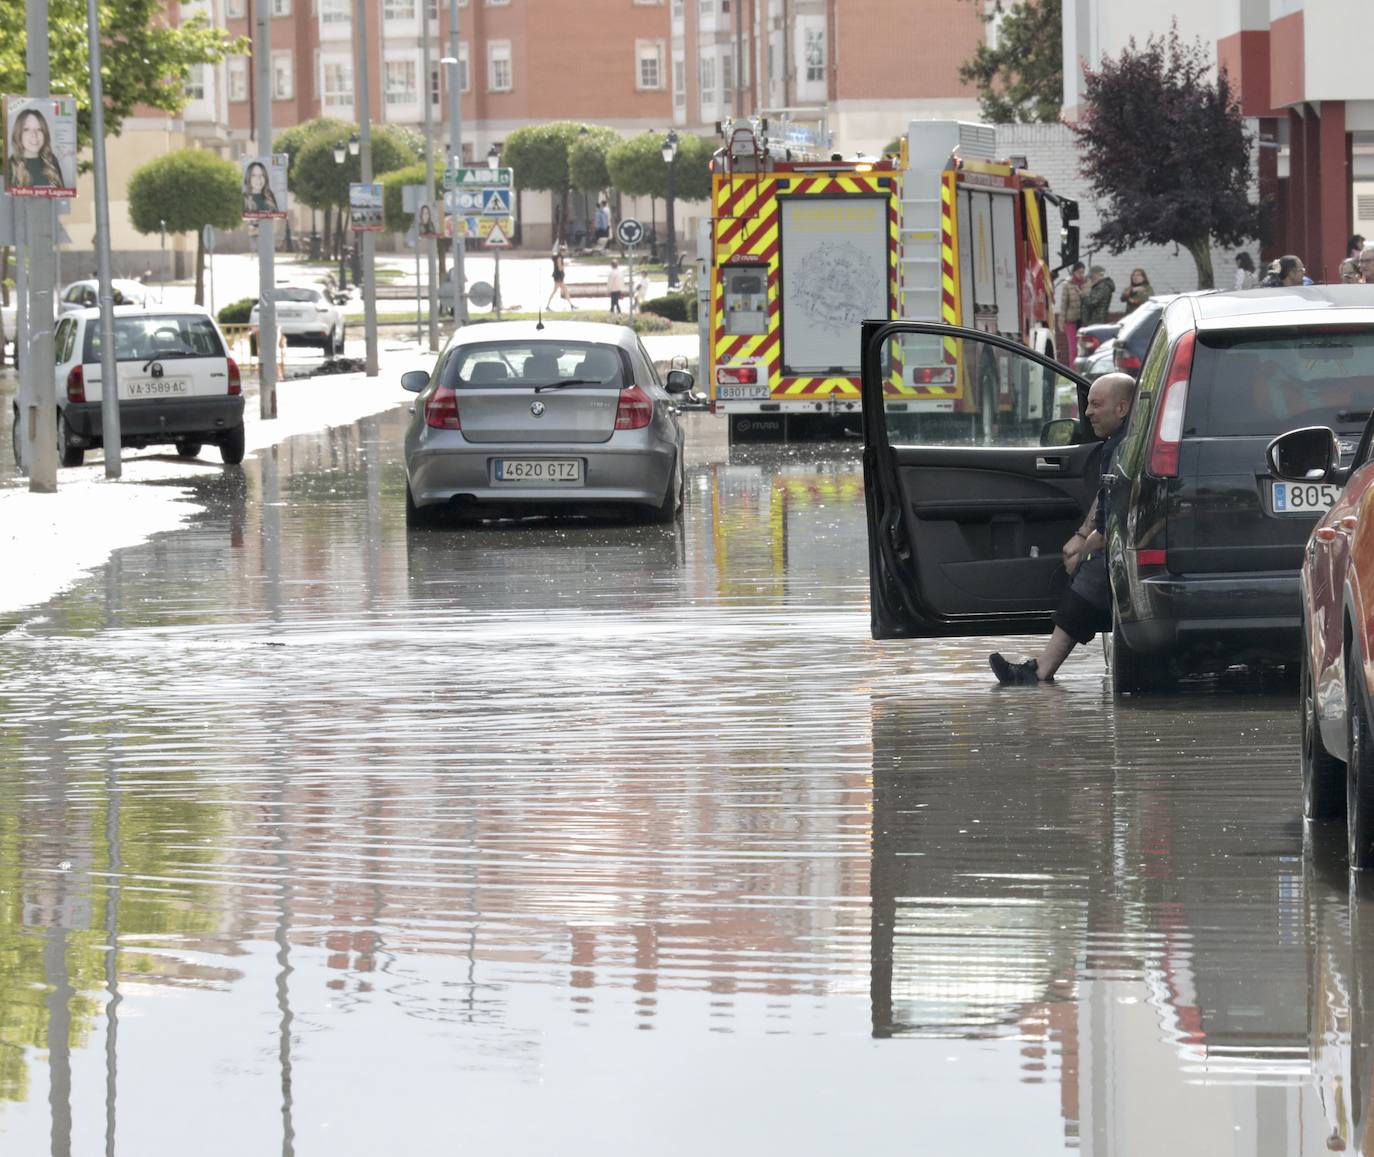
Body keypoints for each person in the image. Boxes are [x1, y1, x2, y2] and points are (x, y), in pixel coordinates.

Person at [989, 372, 1137, 685]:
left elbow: (1115, 520)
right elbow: (1105, 497)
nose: (1087, 412)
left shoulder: (1128, 446)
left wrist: (1087, 548)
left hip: (1130, 542)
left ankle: (1039, 672)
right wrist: (1083, 536)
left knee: (1093, 572)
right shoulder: (1117, 443)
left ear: (1122, 408)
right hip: (1121, 542)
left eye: (1096, 404)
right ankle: (1039, 670)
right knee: (1087, 568)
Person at [8, 108, 64, 189]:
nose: (34, 134)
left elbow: (63, 197)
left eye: (39, 129)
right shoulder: (10, 165)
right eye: (26, 129)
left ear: (45, 133)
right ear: (18, 134)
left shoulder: (51, 160)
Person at [1058, 263, 1085, 367]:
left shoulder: (1087, 283)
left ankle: (1081, 370)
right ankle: (1072, 370)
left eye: (1083, 272)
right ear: (1074, 272)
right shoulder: (1067, 284)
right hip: (1071, 320)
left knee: (1082, 347)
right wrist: (1061, 321)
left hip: (1083, 320)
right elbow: (1064, 304)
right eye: (1079, 272)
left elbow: (1088, 298)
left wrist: (1081, 293)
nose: (1081, 275)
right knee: (1073, 348)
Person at [546, 244, 576, 310]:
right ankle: (571, 305)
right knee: (563, 290)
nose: (565, 253)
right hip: (558, 277)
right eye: (564, 251)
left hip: (558, 277)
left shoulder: (559, 257)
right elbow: (560, 268)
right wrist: (565, 265)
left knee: (560, 291)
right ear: (562, 251)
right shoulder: (559, 258)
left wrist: (565, 264)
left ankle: (571, 305)